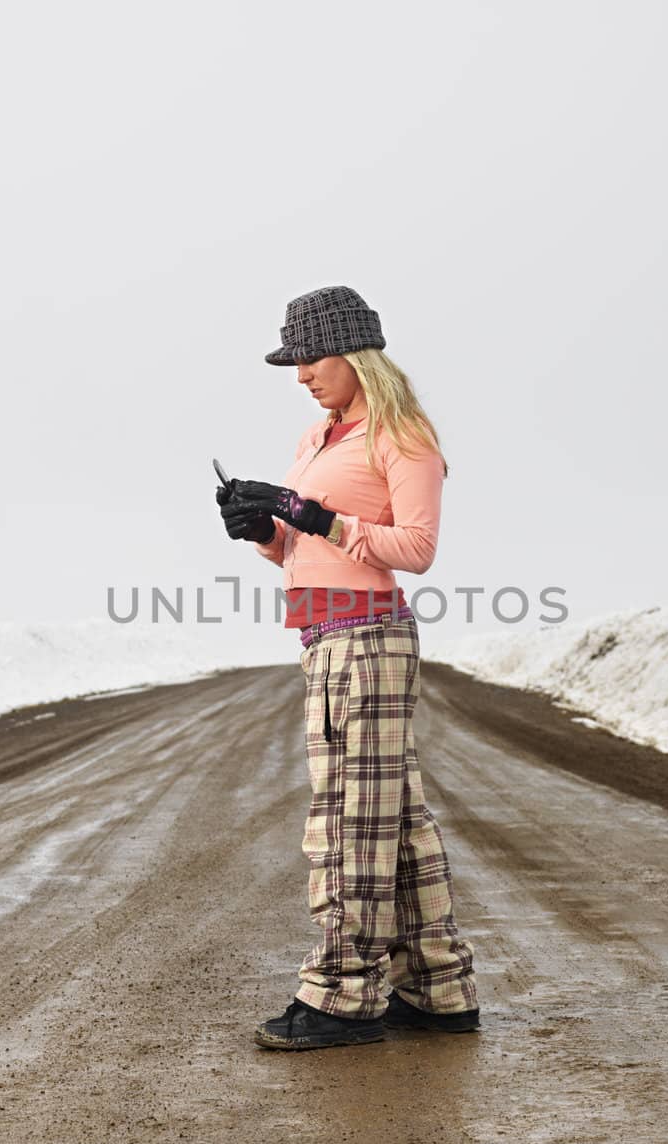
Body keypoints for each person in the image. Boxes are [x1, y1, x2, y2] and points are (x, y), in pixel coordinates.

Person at [216, 284, 479, 1051]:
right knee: (392, 823)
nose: (299, 372)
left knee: (348, 824)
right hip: (324, 639)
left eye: (308, 356)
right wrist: (262, 532)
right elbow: (306, 544)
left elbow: (417, 550)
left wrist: (315, 516)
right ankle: (437, 988)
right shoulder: (317, 438)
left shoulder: (404, 435)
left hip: (368, 641)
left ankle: (340, 996)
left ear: (352, 353)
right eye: (292, 360)